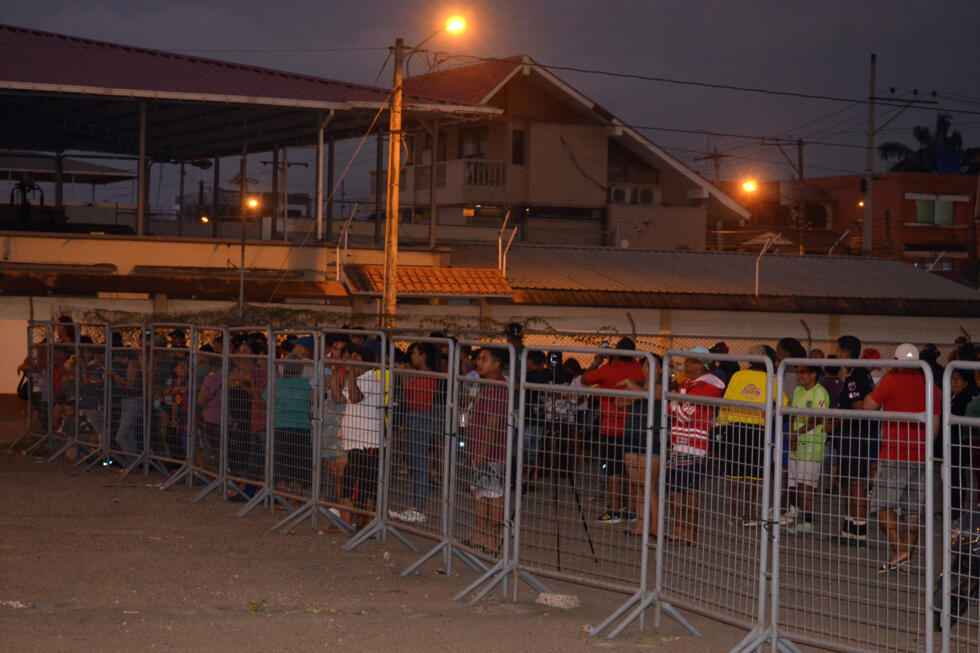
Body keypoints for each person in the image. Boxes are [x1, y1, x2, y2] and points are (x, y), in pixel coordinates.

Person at [864, 344, 940, 572]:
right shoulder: (932, 386)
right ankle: (906, 558)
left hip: (894, 452)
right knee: (913, 509)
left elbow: (869, 406)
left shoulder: (891, 381)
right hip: (921, 454)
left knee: (881, 505)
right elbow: (935, 425)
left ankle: (900, 551)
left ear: (896, 360)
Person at [582, 337, 645, 524]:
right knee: (633, 472)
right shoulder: (640, 369)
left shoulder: (608, 369)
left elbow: (584, 380)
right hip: (634, 427)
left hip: (611, 428)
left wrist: (597, 361)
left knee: (613, 471)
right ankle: (633, 511)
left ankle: (615, 510)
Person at [666, 347, 725, 545]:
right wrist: (676, 402)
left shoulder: (706, 385)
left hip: (694, 444)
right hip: (680, 441)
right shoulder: (689, 383)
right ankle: (680, 530)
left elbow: (685, 413)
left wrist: (674, 400)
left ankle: (689, 533)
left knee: (688, 490)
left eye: (690, 361)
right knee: (677, 489)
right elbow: (675, 410)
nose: (686, 364)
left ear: (701, 363)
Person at [716, 345, 779, 526]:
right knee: (753, 475)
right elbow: (781, 402)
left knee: (736, 474)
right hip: (758, 428)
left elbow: (726, 402)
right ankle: (749, 514)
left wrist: (722, 423)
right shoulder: (770, 379)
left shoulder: (738, 376)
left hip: (735, 428)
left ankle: (735, 515)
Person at [831, 335, 877, 544]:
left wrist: (835, 423)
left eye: (837, 350)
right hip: (854, 437)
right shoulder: (855, 374)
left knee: (856, 483)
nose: (836, 354)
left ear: (845, 351)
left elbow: (857, 410)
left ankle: (859, 530)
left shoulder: (856, 377)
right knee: (848, 482)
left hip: (857, 437)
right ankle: (849, 528)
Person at [390, 342, 440, 524]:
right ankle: (415, 505)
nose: (412, 357)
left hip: (419, 418)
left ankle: (419, 507)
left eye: (415, 353)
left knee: (419, 464)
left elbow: (417, 400)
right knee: (414, 462)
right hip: (412, 418)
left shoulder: (427, 376)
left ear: (423, 356)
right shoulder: (419, 375)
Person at [467, 347, 510, 554]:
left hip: (492, 453)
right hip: (480, 449)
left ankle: (493, 538)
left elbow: (493, 424)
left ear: (496, 364)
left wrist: (482, 453)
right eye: (478, 358)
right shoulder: (484, 384)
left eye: (484, 359)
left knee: (494, 496)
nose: (478, 362)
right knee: (480, 494)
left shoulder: (497, 387)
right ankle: (479, 535)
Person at [339, 346, 384, 529]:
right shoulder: (356, 379)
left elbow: (355, 397)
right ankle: (348, 523)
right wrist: (338, 371)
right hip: (354, 442)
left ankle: (366, 525)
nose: (352, 361)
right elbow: (338, 397)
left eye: (356, 357)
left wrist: (351, 377)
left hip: (367, 442)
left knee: (364, 486)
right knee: (352, 484)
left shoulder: (371, 378)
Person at [617, 354, 662, 537]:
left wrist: (635, 392)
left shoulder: (662, 385)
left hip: (651, 436)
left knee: (648, 484)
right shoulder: (635, 384)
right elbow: (619, 402)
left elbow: (652, 396)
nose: (649, 370)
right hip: (632, 435)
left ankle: (655, 527)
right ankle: (640, 525)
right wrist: (637, 394)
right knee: (636, 484)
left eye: (653, 366)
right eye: (646, 366)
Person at [785, 365, 830, 535]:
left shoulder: (820, 393)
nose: (799, 376)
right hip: (797, 444)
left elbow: (817, 418)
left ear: (814, 374)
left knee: (807, 485)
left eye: (803, 372)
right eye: (797, 372)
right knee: (795, 482)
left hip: (812, 445)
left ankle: (809, 521)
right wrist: (791, 434)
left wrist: (796, 434)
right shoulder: (798, 391)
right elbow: (792, 414)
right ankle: (796, 515)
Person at [947, 368, 979, 520]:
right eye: (952, 379)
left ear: (966, 382)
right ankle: (954, 507)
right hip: (953, 443)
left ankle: (956, 509)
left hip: (960, 443)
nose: (955, 383)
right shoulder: (954, 397)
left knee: (958, 476)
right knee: (954, 476)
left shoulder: (964, 399)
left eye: (958, 379)